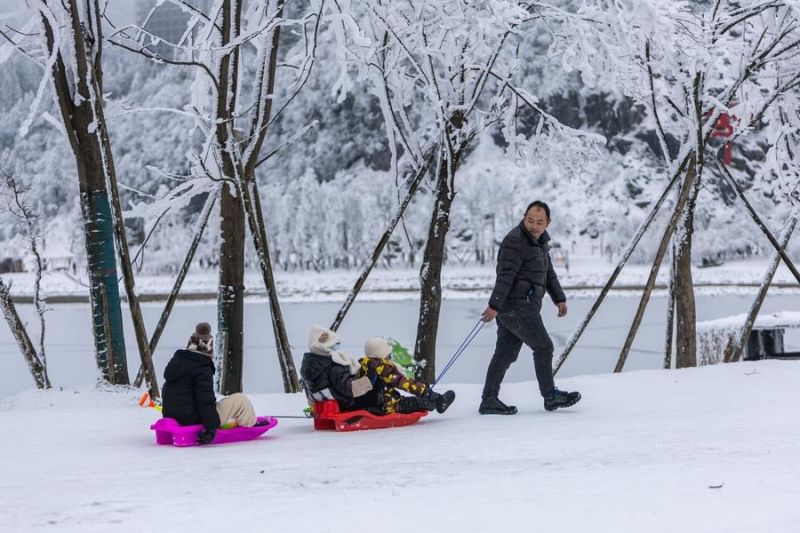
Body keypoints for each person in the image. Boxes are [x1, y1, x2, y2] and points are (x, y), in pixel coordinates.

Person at [479, 201, 581, 415]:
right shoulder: (515, 241)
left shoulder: (539, 242)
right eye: (530, 221)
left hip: (517, 306)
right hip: (517, 306)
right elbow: (505, 275)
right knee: (544, 347)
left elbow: (548, 273)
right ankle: (550, 396)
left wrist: (559, 298)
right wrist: (494, 305)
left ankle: (489, 400)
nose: (534, 226)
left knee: (505, 354)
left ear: (548, 223)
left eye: (540, 222)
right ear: (524, 217)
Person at [162, 322, 259, 444]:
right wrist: (211, 427)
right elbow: (205, 401)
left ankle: (233, 420)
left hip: (174, 418)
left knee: (218, 404)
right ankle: (250, 425)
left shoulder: (177, 364)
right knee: (240, 399)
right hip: (194, 419)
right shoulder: (202, 368)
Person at [359, 337, 455, 415]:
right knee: (418, 402)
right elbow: (403, 383)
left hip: (375, 403)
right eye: (388, 355)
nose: (389, 357)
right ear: (381, 355)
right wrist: (429, 394)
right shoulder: (382, 368)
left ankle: (424, 391)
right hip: (387, 406)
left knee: (420, 387)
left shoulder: (364, 365)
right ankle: (440, 404)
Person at [300, 325, 379, 412]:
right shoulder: (334, 365)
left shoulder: (308, 364)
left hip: (324, 401)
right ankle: (382, 409)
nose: (338, 346)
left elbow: (309, 392)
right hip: (346, 403)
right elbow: (350, 389)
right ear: (326, 346)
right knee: (378, 383)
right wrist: (370, 378)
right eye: (336, 343)